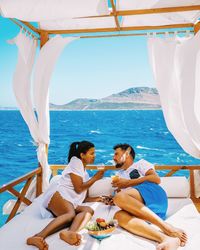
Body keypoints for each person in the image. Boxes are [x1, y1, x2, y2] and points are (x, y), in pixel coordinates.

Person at [27, 141, 106, 250]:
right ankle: (37, 237)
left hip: (70, 201)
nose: (94, 156)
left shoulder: (85, 173)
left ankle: (70, 233)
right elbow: (79, 188)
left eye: (94, 153)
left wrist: (100, 199)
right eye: (91, 153)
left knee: (88, 210)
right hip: (58, 195)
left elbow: (83, 197)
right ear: (82, 155)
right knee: (70, 214)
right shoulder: (75, 162)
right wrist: (96, 178)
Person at [111, 143, 187, 250]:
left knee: (119, 197)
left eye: (116, 154)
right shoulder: (118, 175)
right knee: (118, 216)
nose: (113, 158)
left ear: (127, 154)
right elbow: (122, 197)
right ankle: (165, 238)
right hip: (143, 210)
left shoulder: (140, 164)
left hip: (152, 193)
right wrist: (111, 199)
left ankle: (166, 227)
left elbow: (156, 179)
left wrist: (128, 183)